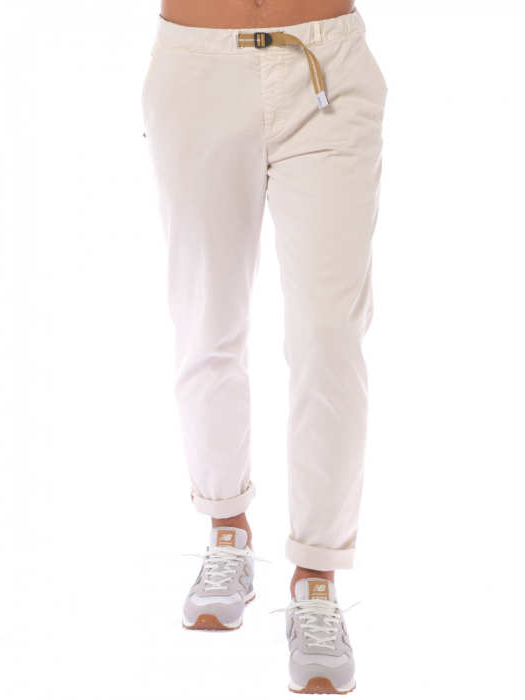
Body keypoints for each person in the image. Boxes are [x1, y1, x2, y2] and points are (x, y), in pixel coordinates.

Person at [141, 0, 387, 693]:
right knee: (206, 317)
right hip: (196, 61)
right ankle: (228, 528)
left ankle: (317, 575)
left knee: (329, 333)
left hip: (324, 66)